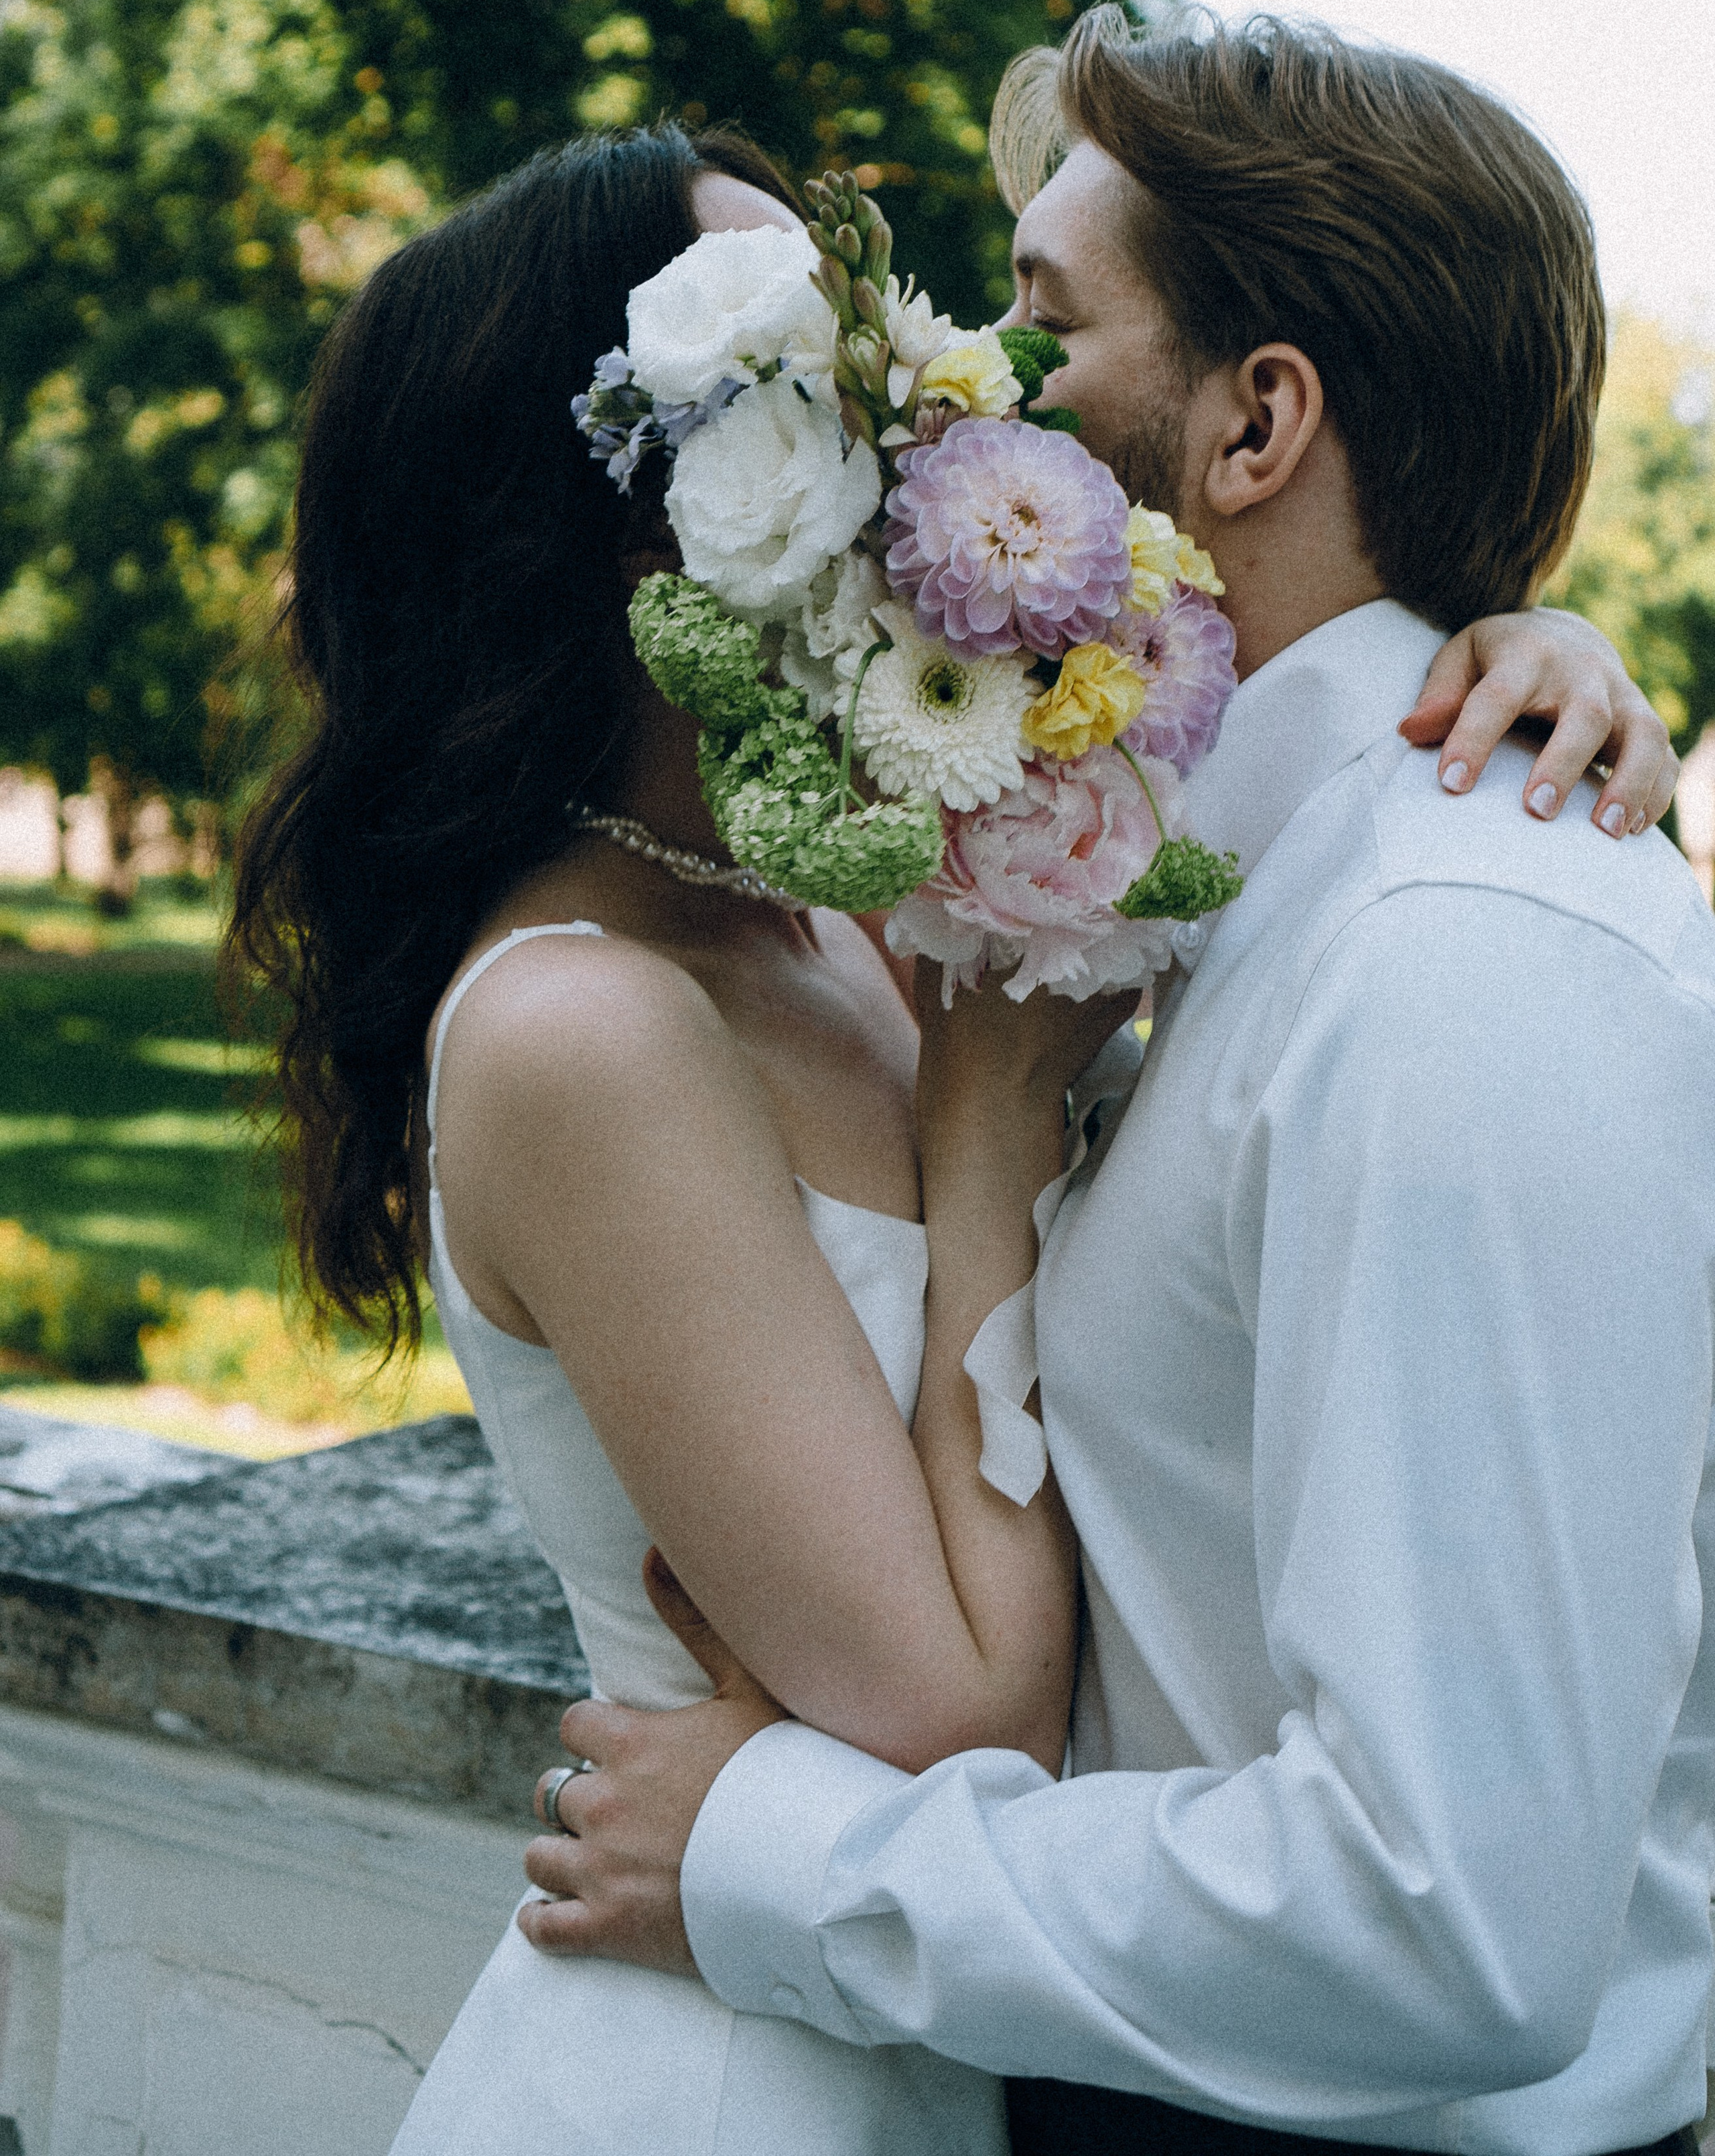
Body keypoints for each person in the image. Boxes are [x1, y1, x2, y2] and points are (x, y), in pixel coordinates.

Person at [228, 107, 1677, 2156]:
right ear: (646, 513)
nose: (938, 420)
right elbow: (952, 1713)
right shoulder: (585, 1019)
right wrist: (984, 1150)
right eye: (828, 386)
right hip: (736, 2062)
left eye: (955, 351)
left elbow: (1294, 809)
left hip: (967, 2022)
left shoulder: (867, 909)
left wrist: (1509, 640)